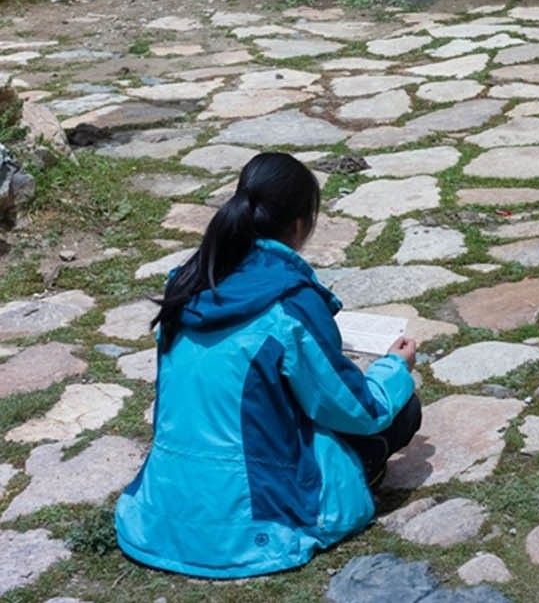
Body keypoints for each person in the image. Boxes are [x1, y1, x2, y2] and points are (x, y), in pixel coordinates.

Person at [115, 151, 422, 579]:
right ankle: (359, 476)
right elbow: (356, 410)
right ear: (300, 225)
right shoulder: (290, 305)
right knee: (398, 409)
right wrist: (394, 367)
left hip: (158, 514)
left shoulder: (185, 284)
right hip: (254, 530)